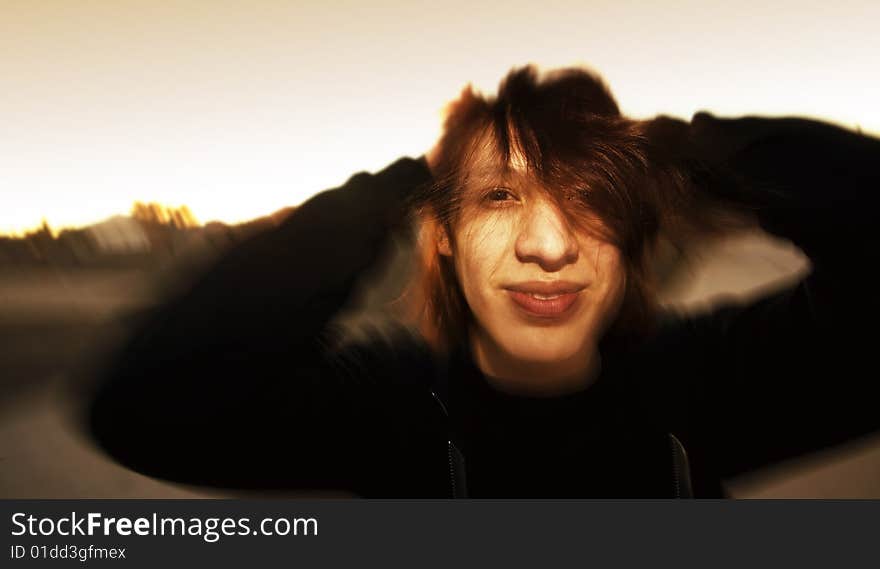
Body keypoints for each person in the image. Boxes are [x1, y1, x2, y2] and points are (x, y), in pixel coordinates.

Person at [86, 65, 880, 498]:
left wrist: (678, 145)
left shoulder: (708, 385)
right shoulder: (385, 409)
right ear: (441, 238)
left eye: (592, 201)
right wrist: (394, 188)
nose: (547, 243)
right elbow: (144, 406)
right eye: (500, 196)